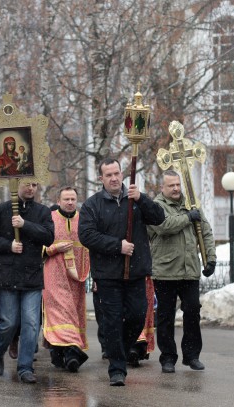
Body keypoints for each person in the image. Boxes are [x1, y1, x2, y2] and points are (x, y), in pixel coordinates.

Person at [78, 157, 165, 386]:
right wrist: (118, 246)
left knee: (138, 315)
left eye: (117, 173)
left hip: (135, 272)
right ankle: (117, 369)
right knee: (112, 322)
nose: (114, 178)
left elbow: (159, 217)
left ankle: (121, 351)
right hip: (108, 275)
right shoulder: (92, 205)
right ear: (101, 178)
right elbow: (87, 236)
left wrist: (142, 199)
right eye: (109, 175)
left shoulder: (135, 199)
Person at [0, 181, 54, 384]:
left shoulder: (42, 211)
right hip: (7, 275)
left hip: (31, 276)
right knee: (8, 323)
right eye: (26, 184)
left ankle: (25, 367)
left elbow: (49, 237)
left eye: (34, 185)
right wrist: (8, 245)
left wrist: (25, 225)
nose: (30, 188)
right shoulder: (1, 210)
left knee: (31, 324)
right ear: (16, 184)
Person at [147, 169, 216, 373]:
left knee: (193, 311)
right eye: (171, 185)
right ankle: (168, 357)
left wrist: (210, 258)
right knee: (166, 316)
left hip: (190, 270)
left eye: (178, 185)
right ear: (163, 188)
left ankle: (192, 355)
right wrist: (188, 218)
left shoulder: (191, 205)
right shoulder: (155, 206)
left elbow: (206, 232)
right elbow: (163, 226)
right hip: (165, 271)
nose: (176, 188)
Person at [42, 186, 90, 372]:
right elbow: (39, 245)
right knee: (62, 312)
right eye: (66, 199)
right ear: (59, 200)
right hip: (53, 275)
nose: (70, 202)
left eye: (73, 199)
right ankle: (72, 354)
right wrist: (54, 248)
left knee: (74, 314)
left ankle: (59, 353)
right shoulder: (50, 219)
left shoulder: (84, 220)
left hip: (77, 276)